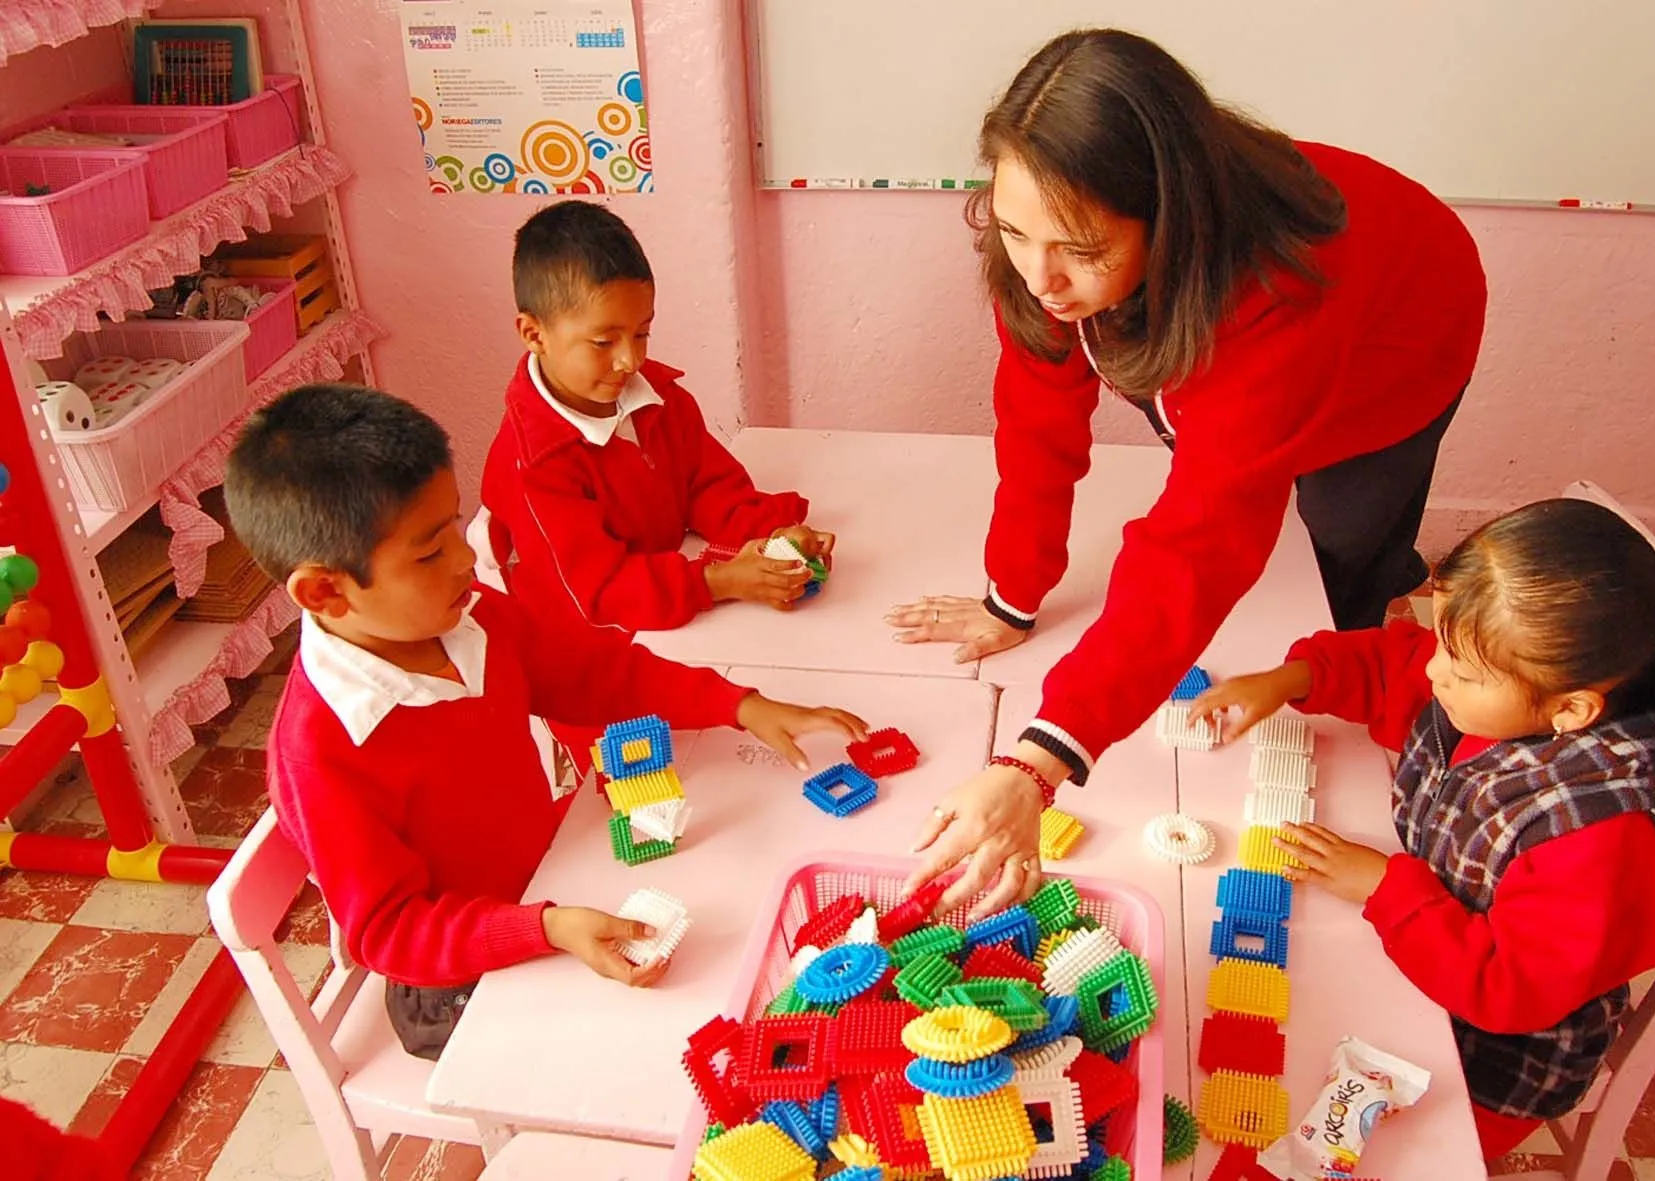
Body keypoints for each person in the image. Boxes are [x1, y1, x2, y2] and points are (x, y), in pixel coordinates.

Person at [888, 28, 1486, 912]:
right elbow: (1037, 423)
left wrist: (1040, 758)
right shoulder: (1047, 249)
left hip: (1401, 342)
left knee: (1344, 546)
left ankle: (1346, 671)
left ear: (1170, 221)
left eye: (1081, 250)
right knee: (1232, 466)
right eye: (1015, 231)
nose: (1041, 276)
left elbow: (1197, 542)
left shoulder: (1279, 298)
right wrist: (1013, 594)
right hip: (1239, 334)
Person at [227, 383, 865, 1058]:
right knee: (641, 1052)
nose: (466, 559)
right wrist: (545, 928)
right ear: (325, 590)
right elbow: (392, 932)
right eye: (428, 551)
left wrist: (736, 704)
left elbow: (596, 673)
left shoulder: (469, 617)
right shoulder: (321, 751)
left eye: (453, 526)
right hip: (455, 978)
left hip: (552, 884)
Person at [1188, 499, 1655, 1158]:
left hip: (1489, 1064)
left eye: (1463, 670)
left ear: (1571, 709)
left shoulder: (1602, 842)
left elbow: (1506, 989)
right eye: (1444, 642)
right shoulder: (1508, 696)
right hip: (1425, 959)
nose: (1435, 669)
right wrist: (1292, 677)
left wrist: (1385, 885)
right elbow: (1395, 664)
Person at [483, 200, 833, 633]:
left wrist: (776, 539)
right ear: (534, 335)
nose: (630, 360)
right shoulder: (535, 462)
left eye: (641, 333)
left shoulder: (663, 401)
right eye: (603, 342)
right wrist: (718, 581)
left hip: (665, 603)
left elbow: (709, 487)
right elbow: (595, 593)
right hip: (574, 638)